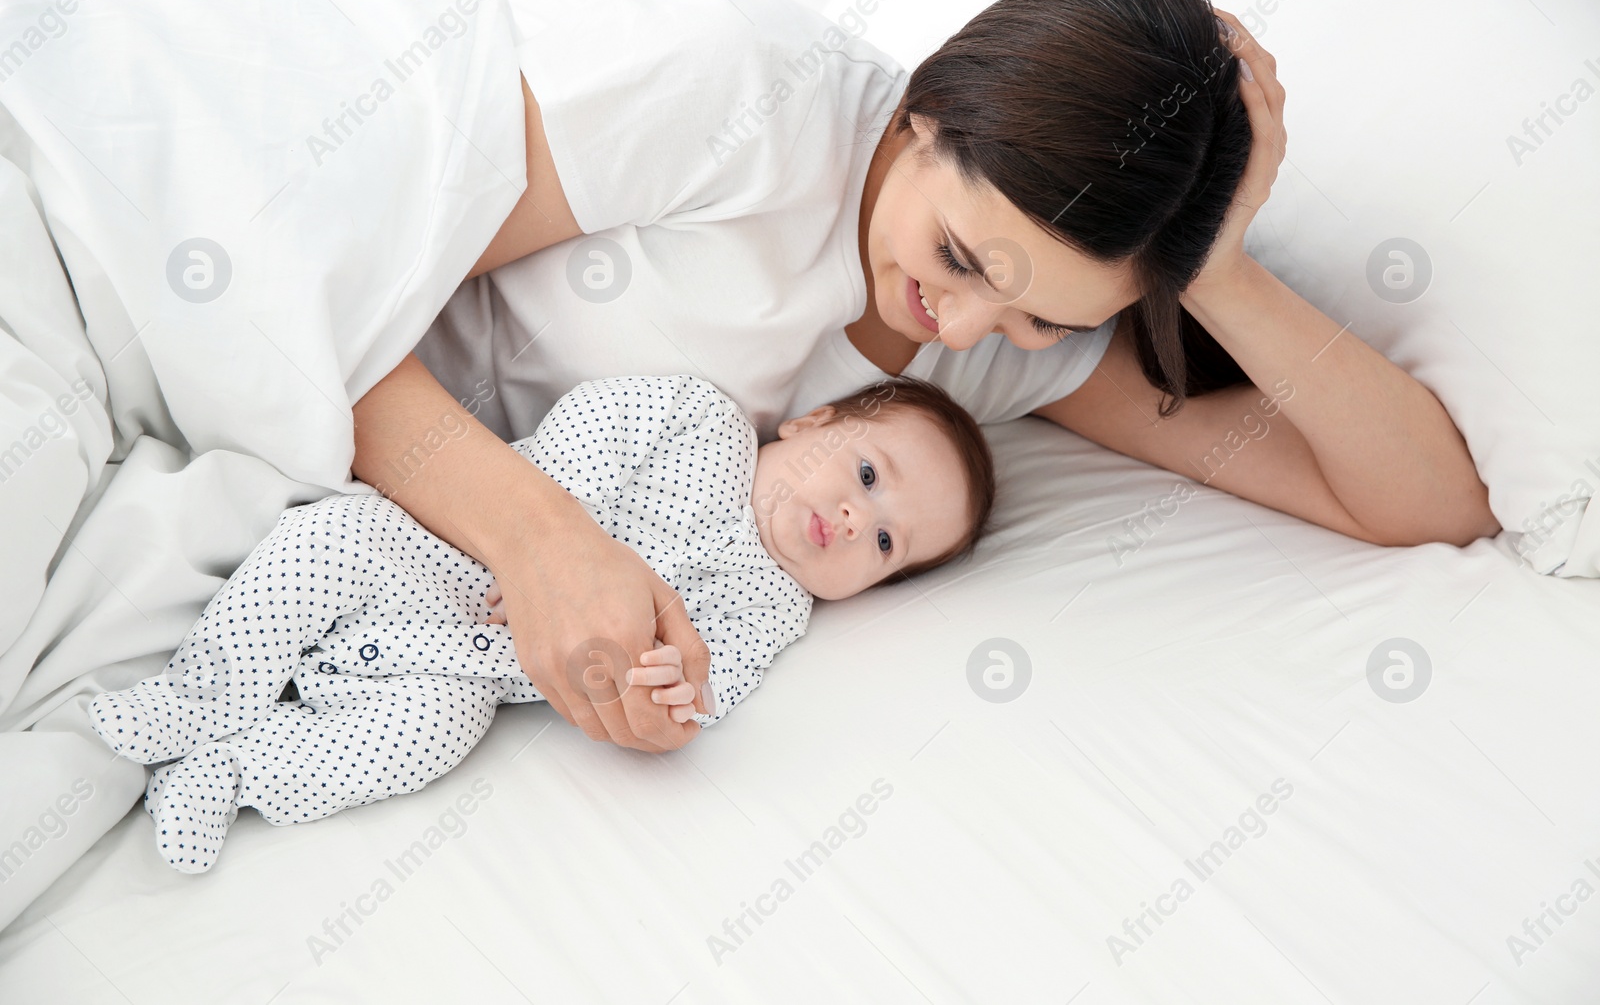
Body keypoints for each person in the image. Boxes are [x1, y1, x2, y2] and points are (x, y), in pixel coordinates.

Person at [355, 0, 1499, 755]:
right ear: (924, 113)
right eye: (955, 255)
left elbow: (1426, 502)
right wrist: (542, 539)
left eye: (1036, 315)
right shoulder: (737, 87)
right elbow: (337, 301)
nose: (953, 328)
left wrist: (1211, 265)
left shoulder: (997, 354)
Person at [86, 374, 996, 872]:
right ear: (814, 420)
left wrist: (662, 709)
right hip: (434, 549)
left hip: (469, 675)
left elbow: (699, 690)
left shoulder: (773, 609)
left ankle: (236, 768)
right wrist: (549, 543)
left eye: (884, 544)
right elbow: (582, 432)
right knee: (328, 542)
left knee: (427, 735)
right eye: (867, 477)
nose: (850, 520)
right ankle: (198, 695)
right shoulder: (704, 423)